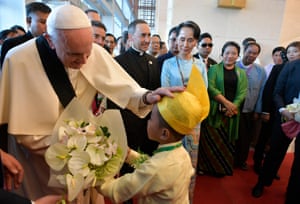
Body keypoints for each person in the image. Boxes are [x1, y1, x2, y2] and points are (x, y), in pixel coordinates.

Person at [0, 4, 183, 202]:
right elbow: (20, 127)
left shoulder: (92, 52)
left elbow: (123, 87)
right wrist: (79, 147)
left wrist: (147, 96)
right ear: (50, 40)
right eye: (74, 55)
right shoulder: (18, 60)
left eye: (87, 52)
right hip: (38, 163)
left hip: (83, 146)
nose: (85, 61)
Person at [99, 66, 209, 204]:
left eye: (151, 118)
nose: (147, 121)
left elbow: (116, 190)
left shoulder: (157, 169)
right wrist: (129, 155)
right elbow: (151, 166)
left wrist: (93, 172)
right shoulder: (181, 154)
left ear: (164, 133)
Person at [107, 19, 161, 182]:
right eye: (142, 35)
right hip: (128, 122)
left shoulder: (153, 61)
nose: (147, 40)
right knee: (128, 164)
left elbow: (156, 89)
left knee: (147, 160)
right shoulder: (119, 62)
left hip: (149, 123)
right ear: (131, 37)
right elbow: (115, 96)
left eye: (149, 35)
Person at [161, 20, 207, 203]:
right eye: (182, 39)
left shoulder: (200, 65)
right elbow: (164, 91)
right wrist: (184, 91)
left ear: (196, 42)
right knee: (171, 161)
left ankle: (187, 198)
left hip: (194, 121)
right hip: (172, 119)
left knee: (191, 164)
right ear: (176, 40)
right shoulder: (168, 64)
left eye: (190, 40)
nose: (185, 44)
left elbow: (203, 94)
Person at [251, 41, 300, 202]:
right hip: (286, 117)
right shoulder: (291, 67)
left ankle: (292, 193)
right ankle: (261, 183)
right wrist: (283, 110)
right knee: (275, 152)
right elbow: (277, 92)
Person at [197, 41, 248, 177]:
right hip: (215, 111)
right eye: (227, 53)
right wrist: (227, 103)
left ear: (238, 56)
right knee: (209, 141)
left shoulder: (241, 73)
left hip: (232, 113)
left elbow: (242, 92)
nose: (230, 56)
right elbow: (211, 88)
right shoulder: (214, 69)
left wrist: (233, 106)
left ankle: (220, 168)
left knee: (226, 142)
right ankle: (205, 167)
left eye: (234, 53)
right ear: (222, 54)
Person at [252, 45, 289, 176]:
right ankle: (257, 162)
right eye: (290, 53)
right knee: (263, 137)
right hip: (272, 111)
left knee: (278, 143)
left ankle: (272, 169)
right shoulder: (277, 68)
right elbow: (268, 90)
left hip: (289, 115)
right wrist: (265, 111)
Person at [235, 42, 266, 171]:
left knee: (245, 137)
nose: (252, 55)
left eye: (255, 53)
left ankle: (241, 160)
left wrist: (258, 110)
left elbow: (261, 91)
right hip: (233, 107)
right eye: (250, 52)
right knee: (232, 135)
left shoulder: (260, 71)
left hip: (249, 108)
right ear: (244, 51)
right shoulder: (234, 66)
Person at [0, 2, 51, 67]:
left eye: (49, 22)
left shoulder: (51, 43)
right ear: (29, 21)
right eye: (43, 22)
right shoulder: (11, 44)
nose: (47, 26)